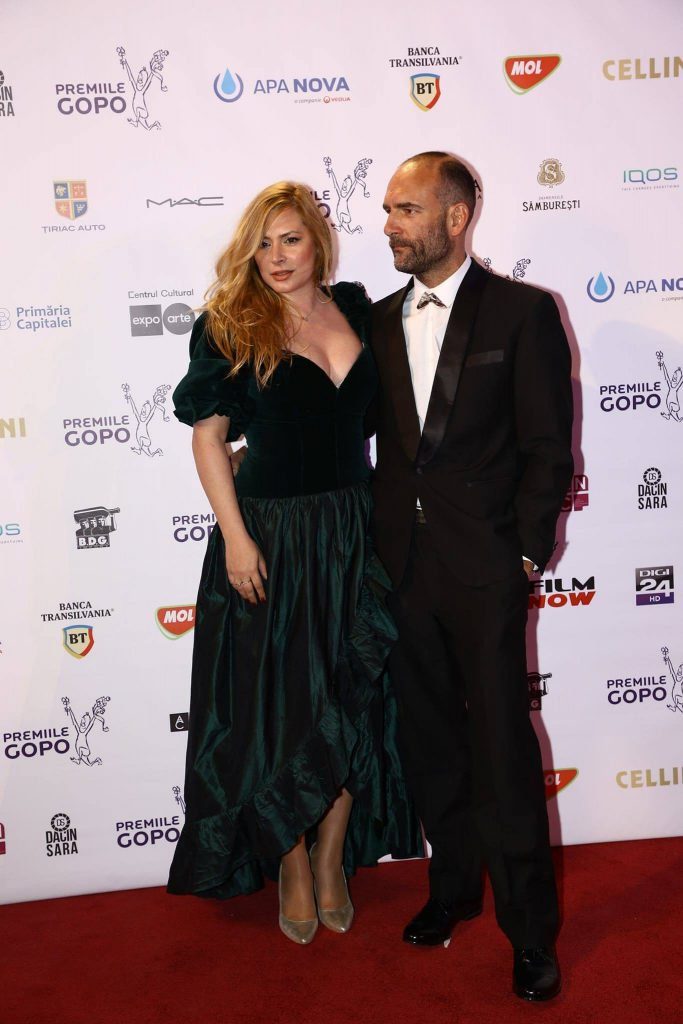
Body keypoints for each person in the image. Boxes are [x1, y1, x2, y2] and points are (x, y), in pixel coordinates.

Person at [167, 182, 422, 944]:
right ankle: (289, 862)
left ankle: (332, 854)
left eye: (290, 239)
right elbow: (209, 439)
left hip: (352, 530)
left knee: (350, 697)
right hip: (271, 538)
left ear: (318, 241)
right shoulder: (231, 323)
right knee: (277, 708)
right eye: (262, 243)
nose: (275, 257)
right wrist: (236, 537)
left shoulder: (357, 309)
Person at [368, 152, 573, 1000]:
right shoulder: (375, 322)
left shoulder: (522, 312)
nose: (389, 224)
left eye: (407, 210)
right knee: (429, 744)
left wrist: (524, 553)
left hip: (485, 569)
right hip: (402, 570)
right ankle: (451, 889)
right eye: (388, 209)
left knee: (500, 749)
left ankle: (529, 933)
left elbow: (547, 447)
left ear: (456, 217)